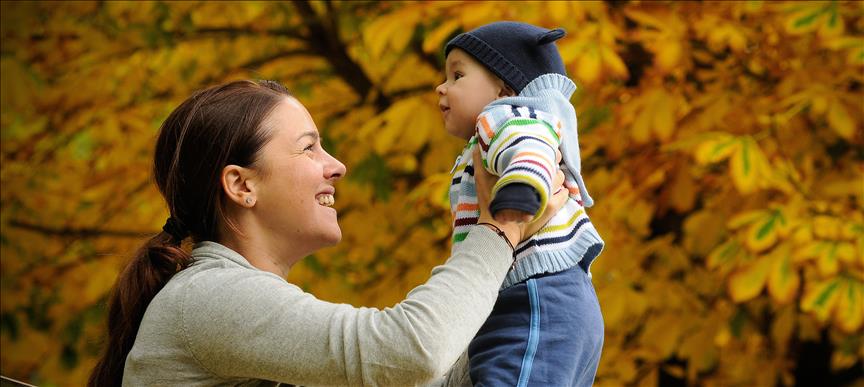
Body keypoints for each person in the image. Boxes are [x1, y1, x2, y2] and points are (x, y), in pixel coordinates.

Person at [87, 79, 569, 386]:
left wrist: (531, 259)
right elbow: (410, 353)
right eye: (309, 148)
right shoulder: (208, 297)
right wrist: (501, 226)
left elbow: (426, 373)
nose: (336, 166)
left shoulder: (237, 307)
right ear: (241, 185)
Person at [435, 22, 605, 386]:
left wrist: (520, 189)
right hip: (553, 300)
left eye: (457, 75)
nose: (441, 87)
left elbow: (531, 149)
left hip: (532, 296)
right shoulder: (498, 129)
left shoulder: (506, 116)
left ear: (504, 88)